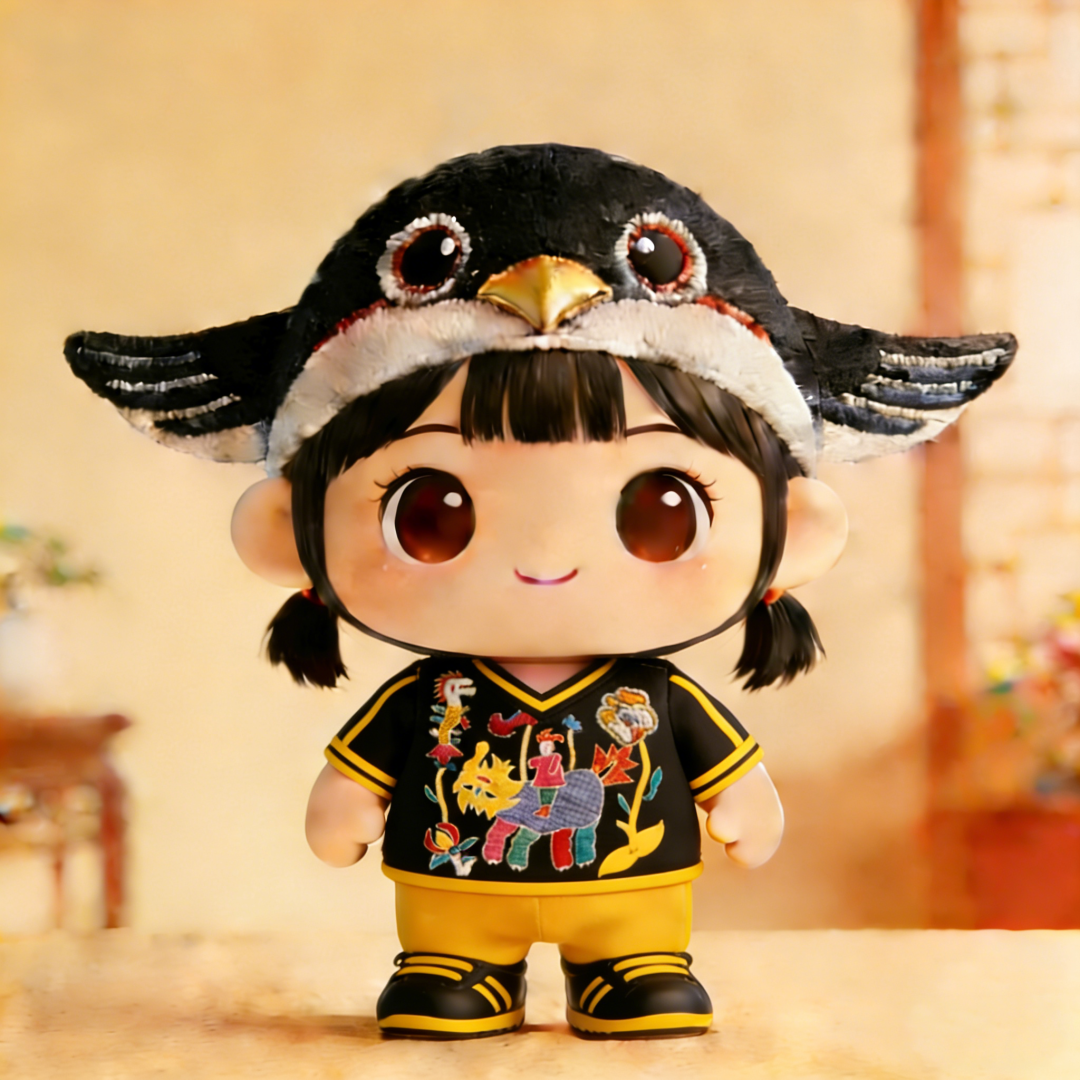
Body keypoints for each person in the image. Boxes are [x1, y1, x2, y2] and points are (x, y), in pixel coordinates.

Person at [65, 144, 1016, 1039]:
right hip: (449, 887)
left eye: (660, 511)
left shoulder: (654, 700)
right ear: (287, 537)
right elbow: (361, 772)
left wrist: (746, 803)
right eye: (431, 513)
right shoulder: (433, 698)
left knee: (640, 960)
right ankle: (453, 968)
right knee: (447, 962)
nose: (547, 558)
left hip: (636, 890)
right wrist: (346, 800)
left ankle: (632, 968)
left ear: (794, 536)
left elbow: (728, 774)